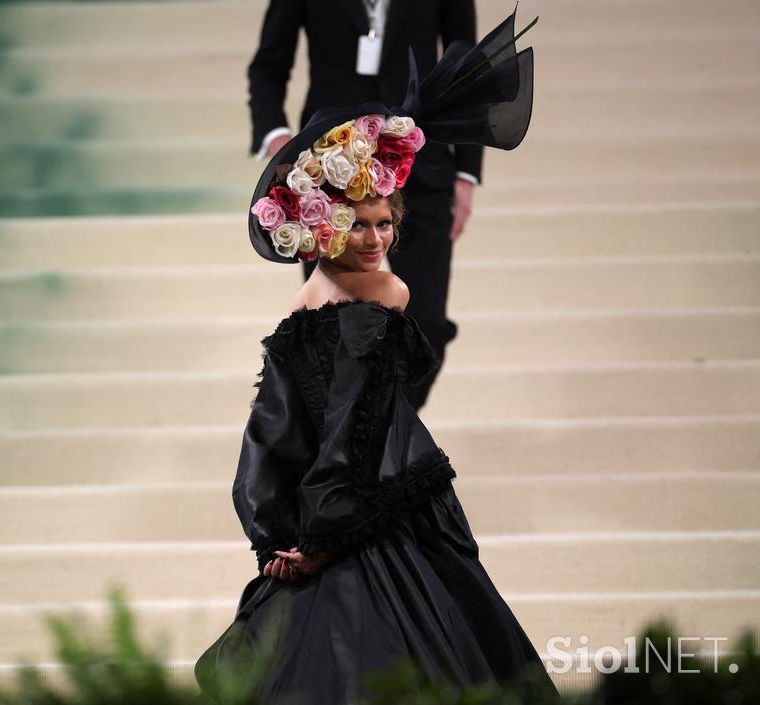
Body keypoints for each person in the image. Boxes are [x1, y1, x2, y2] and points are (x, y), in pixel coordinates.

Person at [193, 10, 555, 704]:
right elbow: (270, 61)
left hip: (415, 160)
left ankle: (358, 470)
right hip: (323, 164)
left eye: (380, 228)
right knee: (345, 335)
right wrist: (284, 145)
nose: (376, 237)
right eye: (368, 228)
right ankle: (355, 479)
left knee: (401, 328)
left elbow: (466, 57)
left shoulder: (379, 270)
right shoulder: (341, 260)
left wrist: (464, 172)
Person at [247, 0, 484, 409]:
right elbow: (269, 63)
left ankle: (376, 433)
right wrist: (276, 137)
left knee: (425, 323)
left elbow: (467, 69)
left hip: (418, 168)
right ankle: (347, 442)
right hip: (327, 175)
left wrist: (466, 172)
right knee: (329, 327)